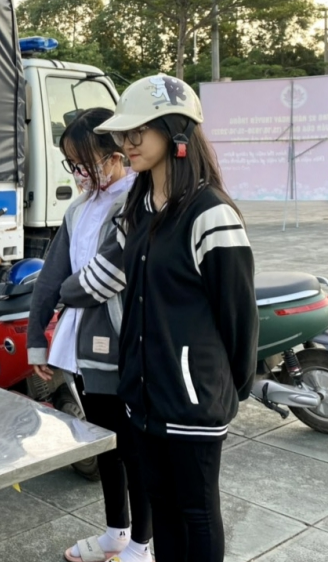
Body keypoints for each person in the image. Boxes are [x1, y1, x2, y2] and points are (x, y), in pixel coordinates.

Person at [93, 74, 258, 562]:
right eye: (124, 134)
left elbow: (238, 316)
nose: (127, 144)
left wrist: (228, 387)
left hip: (193, 400)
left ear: (176, 131)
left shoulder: (212, 214)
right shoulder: (138, 207)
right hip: (144, 395)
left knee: (198, 511)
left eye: (139, 131)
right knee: (161, 507)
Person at [26, 108, 152, 562]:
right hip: (84, 347)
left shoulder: (139, 200)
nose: (80, 174)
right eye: (72, 165)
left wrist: (67, 292)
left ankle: (142, 543)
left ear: (116, 155)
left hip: (127, 343)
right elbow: (50, 277)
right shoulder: (79, 208)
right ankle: (115, 532)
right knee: (103, 442)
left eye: (86, 163)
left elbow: (104, 279)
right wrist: (36, 339)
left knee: (135, 447)